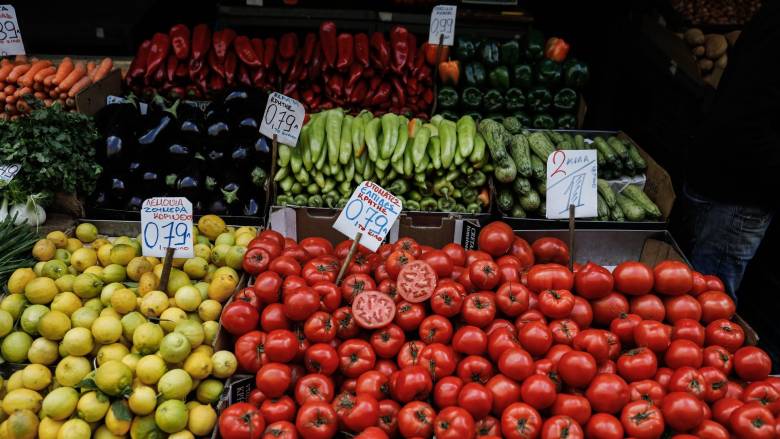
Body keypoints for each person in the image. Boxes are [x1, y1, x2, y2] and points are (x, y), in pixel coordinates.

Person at [682, 0, 779, 299]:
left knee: (687, 295)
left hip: (724, 175)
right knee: (704, 308)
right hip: (738, 197)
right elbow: (751, 119)